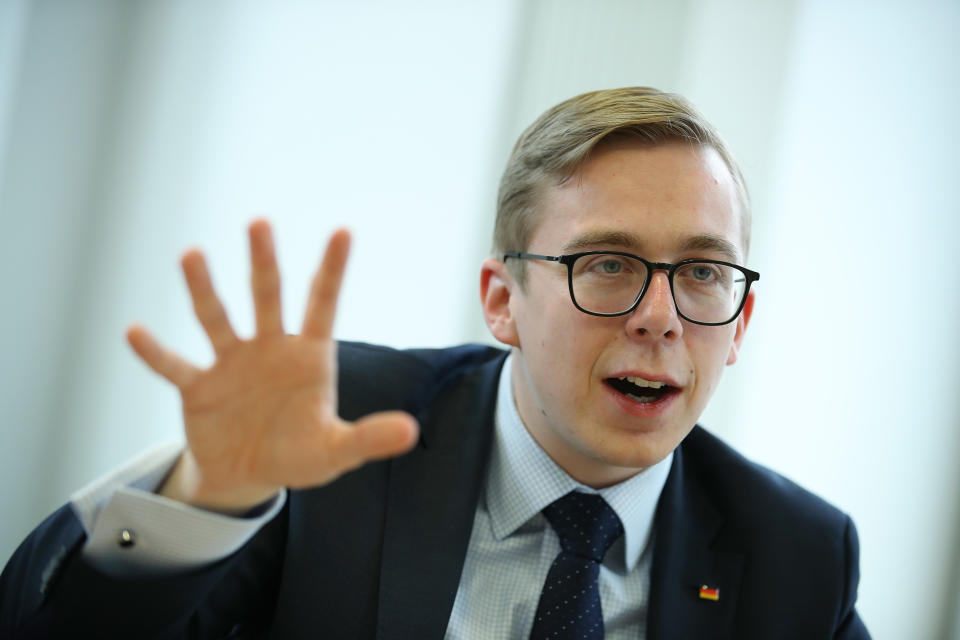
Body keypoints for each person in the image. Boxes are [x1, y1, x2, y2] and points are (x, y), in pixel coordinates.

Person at [0, 87, 870, 638]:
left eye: (702, 273)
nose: (657, 316)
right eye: (606, 262)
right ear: (502, 301)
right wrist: (206, 496)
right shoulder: (335, 434)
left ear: (742, 319)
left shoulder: (795, 555)